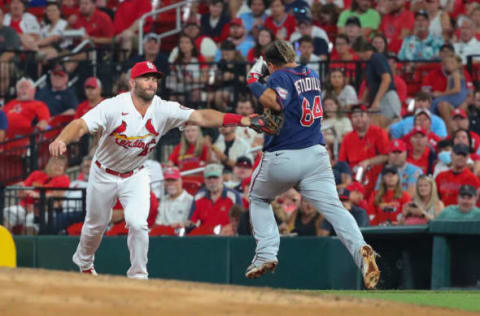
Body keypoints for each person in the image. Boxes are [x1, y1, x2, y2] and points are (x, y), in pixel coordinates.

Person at [48, 61, 253, 278]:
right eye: (146, 78)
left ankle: (138, 276)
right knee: (95, 226)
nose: (151, 83)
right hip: (103, 173)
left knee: (138, 224)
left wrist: (243, 120)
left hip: (135, 174)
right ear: (132, 82)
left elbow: (201, 116)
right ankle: (84, 260)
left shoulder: (164, 109)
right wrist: (62, 139)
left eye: (154, 79)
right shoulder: (114, 106)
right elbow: (81, 124)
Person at [244, 40, 380, 289]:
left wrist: (254, 77)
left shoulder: (280, 75)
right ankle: (362, 249)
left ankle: (266, 254)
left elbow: (274, 102)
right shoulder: (312, 73)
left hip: (284, 154)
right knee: (336, 210)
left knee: (258, 198)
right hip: (316, 155)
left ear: (272, 64)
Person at [3, 156, 70, 234]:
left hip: (45, 210)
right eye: (55, 163)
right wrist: (22, 191)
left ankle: (27, 244)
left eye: (61, 165)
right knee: (8, 212)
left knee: (30, 220)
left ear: (64, 169)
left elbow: (56, 195)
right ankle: (7, 240)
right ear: (49, 164)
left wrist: (38, 195)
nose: (57, 166)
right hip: (26, 206)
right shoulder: (36, 174)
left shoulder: (64, 179)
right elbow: (22, 193)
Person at [338, 104, 389, 199]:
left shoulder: (379, 133)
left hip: (377, 181)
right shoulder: (347, 138)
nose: (358, 119)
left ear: (368, 116)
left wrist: (369, 162)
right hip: (354, 183)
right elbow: (342, 163)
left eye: (361, 115)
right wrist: (347, 181)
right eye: (354, 116)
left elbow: (386, 156)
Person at [356, 42, 402, 128]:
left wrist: (376, 101)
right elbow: (369, 84)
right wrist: (362, 100)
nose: (359, 57)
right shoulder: (369, 63)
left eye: (358, 54)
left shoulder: (376, 57)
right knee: (373, 127)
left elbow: (386, 79)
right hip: (379, 99)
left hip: (386, 98)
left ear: (362, 51)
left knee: (385, 128)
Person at [188, 163, 243, 229]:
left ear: (222, 178)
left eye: (215, 177)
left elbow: (240, 221)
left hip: (227, 237)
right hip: (204, 236)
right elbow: (192, 222)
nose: (212, 181)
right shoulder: (198, 196)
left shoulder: (234, 196)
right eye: (209, 178)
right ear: (204, 180)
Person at [431, 55, 468, 133]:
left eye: (451, 63)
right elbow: (448, 90)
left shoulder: (456, 74)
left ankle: (431, 115)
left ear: (457, 64)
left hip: (458, 97)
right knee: (437, 100)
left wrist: (440, 94)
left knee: (436, 101)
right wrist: (441, 94)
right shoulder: (450, 76)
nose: (448, 65)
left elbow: (457, 89)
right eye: (447, 63)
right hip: (452, 96)